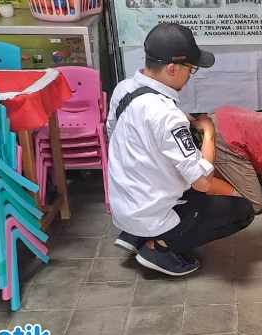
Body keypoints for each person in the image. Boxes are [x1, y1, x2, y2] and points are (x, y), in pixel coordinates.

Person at [106, 23, 254, 276]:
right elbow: (203, 183)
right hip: (149, 210)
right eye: (190, 69)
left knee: (177, 180)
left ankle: (135, 235)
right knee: (242, 211)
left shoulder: (125, 89)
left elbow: (114, 131)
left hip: (124, 205)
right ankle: (159, 249)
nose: (190, 75)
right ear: (172, 68)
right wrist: (209, 133)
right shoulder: (166, 115)